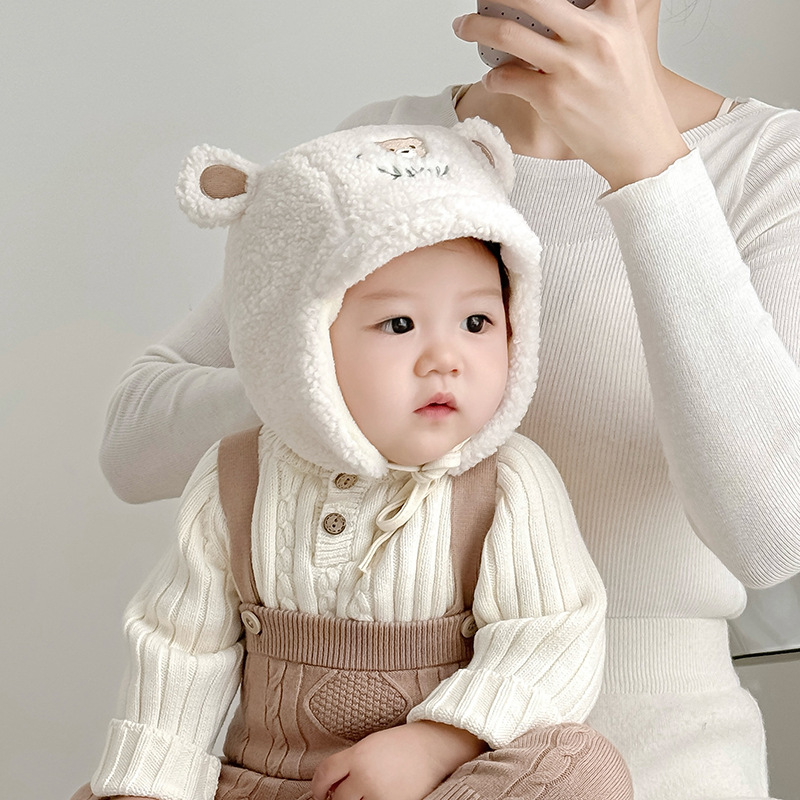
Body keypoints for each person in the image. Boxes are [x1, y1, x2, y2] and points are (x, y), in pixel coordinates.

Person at [97, 1, 800, 797]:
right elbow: (135, 437)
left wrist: (649, 168)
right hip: (346, 758)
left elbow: (770, 536)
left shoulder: (770, 164)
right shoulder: (398, 154)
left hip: (660, 750)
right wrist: (328, 386)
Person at [71, 120, 634, 800]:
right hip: (268, 784)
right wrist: (146, 787)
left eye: (478, 322)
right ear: (293, 345)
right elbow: (178, 651)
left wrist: (438, 741)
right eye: (399, 325)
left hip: (439, 783)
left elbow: (553, 637)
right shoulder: (236, 478)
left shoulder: (507, 484)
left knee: (582, 764)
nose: (445, 357)